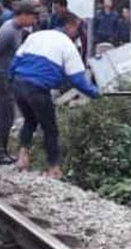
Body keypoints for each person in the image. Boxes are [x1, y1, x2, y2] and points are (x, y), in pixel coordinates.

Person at [10, 14, 100, 178]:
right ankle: (53, 168)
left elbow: (15, 61)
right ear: (69, 26)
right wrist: (96, 93)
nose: (78, 32)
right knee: (50, 128)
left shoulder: (35, 36)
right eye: (77, 28)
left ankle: (22, 157)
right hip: (37, 88)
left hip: (18, 83)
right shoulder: (67, 44)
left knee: (30, 121)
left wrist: (11, 83)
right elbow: (78, 79)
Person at [0, 2, 36, 164]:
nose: (34, 20)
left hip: (6, 76)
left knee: (7, 115)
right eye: (32, 16)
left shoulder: (17, 30)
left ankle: (2, 150)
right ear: (23, 15)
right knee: (2, 115)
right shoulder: (8, 31)